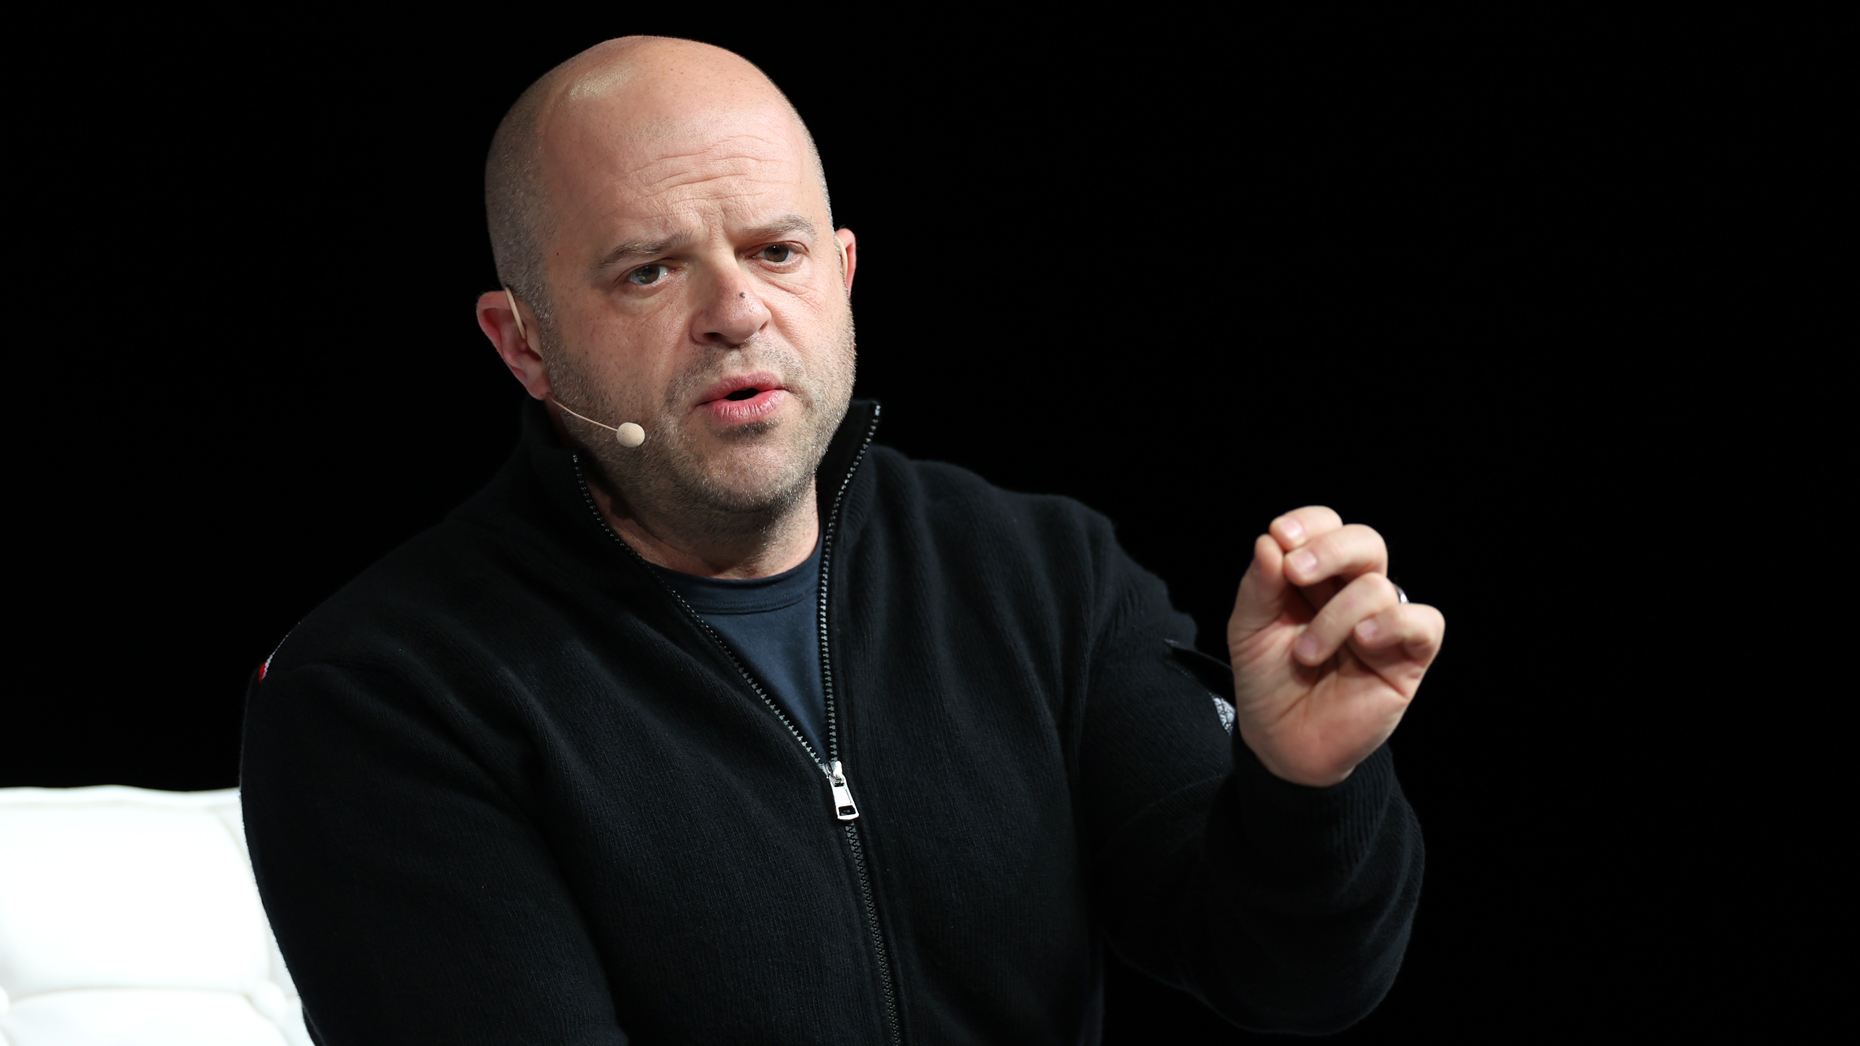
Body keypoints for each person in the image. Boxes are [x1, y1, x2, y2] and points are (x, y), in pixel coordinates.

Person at [240, 35, 1444, 1045]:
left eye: (777, 251)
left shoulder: (1041, 574)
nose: (735, 311)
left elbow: (1295, 979)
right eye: (651, 270)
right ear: (525, 345)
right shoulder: (381, 692)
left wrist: (1305, 786)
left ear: (844, 274)